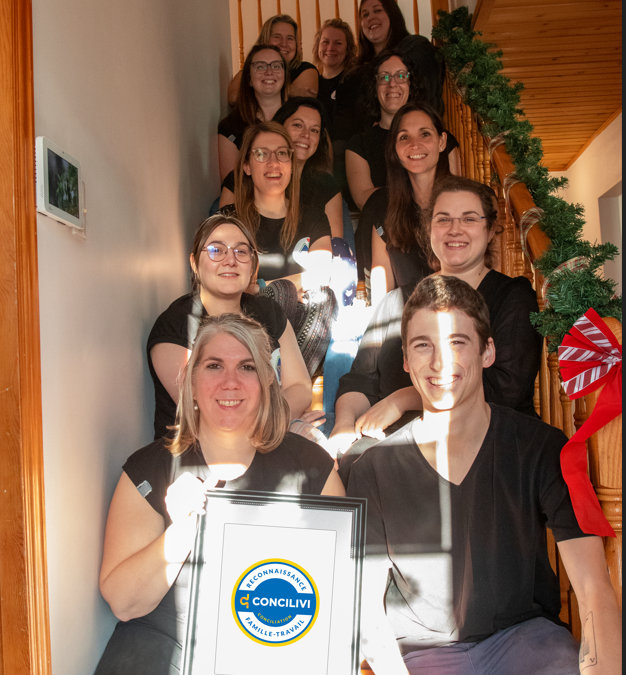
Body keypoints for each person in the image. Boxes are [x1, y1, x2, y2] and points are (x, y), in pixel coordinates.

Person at [346, 275, 621, 675]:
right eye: (424, 346)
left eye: (458, 342)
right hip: (423, 656)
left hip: (527, 643)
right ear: (405, 360)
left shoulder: (542, 447)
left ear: (487, 351)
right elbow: (366, 612)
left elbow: (594, 590)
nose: (440, 363)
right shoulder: (372, 468)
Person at [95, 314, 345, 675]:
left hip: (268, 642)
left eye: (246, 367)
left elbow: (339, 587)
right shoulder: (150, 469)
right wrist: (183, 531)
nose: (230, 382)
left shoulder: (310, 467)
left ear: (266, 383)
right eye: (214, 366)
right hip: (167, 643)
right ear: (192, 382)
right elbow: (124, 603)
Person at [330, 176, 542, 469]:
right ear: (428, 229)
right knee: (354, 460)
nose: (455, 229)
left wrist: (400, 400)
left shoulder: (513, 297)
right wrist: (343, 426)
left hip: (486, 445)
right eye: (443, 219)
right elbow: (359, 380)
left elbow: (503, 391)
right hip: (397, 442)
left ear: (491, 229)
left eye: (469, 218)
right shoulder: (396, 302)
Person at [147, 213, 312, 440]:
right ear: (195, 263)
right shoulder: (175, 327)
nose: (230, 260)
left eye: (241, 251)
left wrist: (281, 421)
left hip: (267, 436)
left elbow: (300, 386)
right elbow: (211, 415)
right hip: (197, 455)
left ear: (252, 264)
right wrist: (282, 422)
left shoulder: (267, 311)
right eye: (216, 250)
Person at [222, 121, 336, 376]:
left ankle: (282, 386)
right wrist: (286, 288)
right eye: (262, 154)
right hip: (244, 328)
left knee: (325, 298)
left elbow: (320, 276)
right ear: (247, 165)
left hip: (299, 330)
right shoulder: (228, 221)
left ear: (291, 164)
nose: (274, 162)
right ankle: (265, 379)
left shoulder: (313, 218)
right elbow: (232, 285)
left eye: (282, 153)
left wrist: (262, 286)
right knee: (283, 293)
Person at [357, 101, 449, 307]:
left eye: (425, 134)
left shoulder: (466, 201)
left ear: (442, 141)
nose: (414, 144)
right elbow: (382, 289)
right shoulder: (383, 207)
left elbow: (477, 272)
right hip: (407, 323)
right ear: (395, 148)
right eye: (404, 137)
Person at [346, 50, 460, 211]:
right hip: (383, 225)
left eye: (400, 76)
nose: (392, 84)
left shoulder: (441, 138)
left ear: (411, 84)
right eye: (384, 77)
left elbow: (455, 191)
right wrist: (421, 190)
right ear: (375, 87)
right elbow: (364, 199)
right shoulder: (359, 144)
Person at [220, 97, 344, 240]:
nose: (306, 134)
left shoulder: (326, 187)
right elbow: (225, 238)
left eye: (314, 130)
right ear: (279, 127)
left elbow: (334, 249)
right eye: (298, 125)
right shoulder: (239, 179)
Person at [356, 0, 444, 116]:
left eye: (377, 10)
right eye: (365, 14)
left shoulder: (416, 48)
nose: (371, 17)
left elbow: (423, 98)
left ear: (392, 14)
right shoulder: (361, 67)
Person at [218, 44, 288, 181]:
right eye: (260, 66)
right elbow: (232, 185)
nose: (269, 72)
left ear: (285, 75)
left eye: (276, 66)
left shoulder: (300, 118)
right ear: (249, 78)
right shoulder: (231, 126)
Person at [228, 14, 318, 107]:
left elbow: (304, 100)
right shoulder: (250, 68)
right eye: (277, 37)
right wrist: (291, 90)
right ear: (265, 40)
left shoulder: (306, 69)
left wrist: (262, 84)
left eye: (290, 38)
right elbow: (234, 98)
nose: (284, 43)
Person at [312, 18, 358, 140]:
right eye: (325, 42)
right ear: (318, 47)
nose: (330, 48)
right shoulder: (312, 83)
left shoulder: (355, 82)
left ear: (348, 50)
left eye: (338, 43)